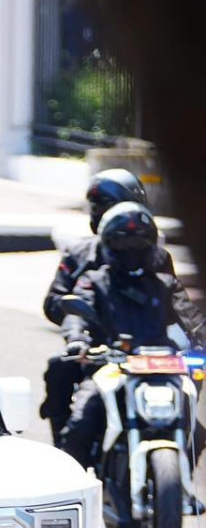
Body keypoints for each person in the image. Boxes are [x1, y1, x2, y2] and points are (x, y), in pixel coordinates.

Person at [37, 169, 188, 442]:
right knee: (62, 371)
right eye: (95, 206)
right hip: (98, 349)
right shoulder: (83, 261)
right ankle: (65, 446)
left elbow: (181, 307)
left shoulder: (157, 260)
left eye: (105, 205)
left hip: (151, 354)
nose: (129, 250)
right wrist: (81, 326)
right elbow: (56, 303)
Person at [58, 201, 206, 469]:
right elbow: (76, 312)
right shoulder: (94, 280)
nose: (130, 253)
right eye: (122, 245)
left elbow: (192, 318)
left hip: (162, 367)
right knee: (81, 421)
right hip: (112, 365)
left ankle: (180, 489)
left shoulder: (165, 283)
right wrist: (77, 340)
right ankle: (77, 492)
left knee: (195, 428)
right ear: (108, 245)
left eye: (138, 246)